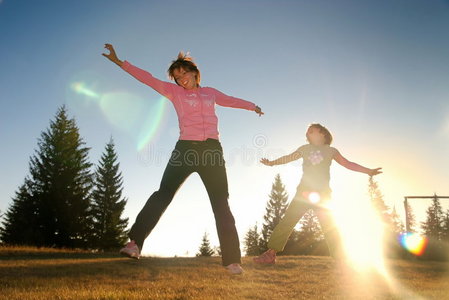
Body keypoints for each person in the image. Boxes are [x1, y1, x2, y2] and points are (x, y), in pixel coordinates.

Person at [102, 44, 263, 275]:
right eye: (177, 78)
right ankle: (134, 243)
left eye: (183, 74)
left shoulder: (211, 93)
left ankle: (232, 261)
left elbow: (231, 100)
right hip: (185, 149)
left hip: (212, 152)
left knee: (221, 203)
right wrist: (120, 62)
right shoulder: (175, 93)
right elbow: (147, 79)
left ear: (194, 73)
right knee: (163, 193)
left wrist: (252, 106)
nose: (181, 80)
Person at [253, 123, 382, 264]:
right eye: (307, 132)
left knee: (329, 226)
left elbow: (348, 163)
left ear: (323, 134)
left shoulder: (331, 151)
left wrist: (368, 171)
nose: (308, 133)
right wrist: (272, 163)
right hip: (303, 193)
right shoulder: (304, 149)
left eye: (311, 130)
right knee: (287, 221)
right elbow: (288, 158)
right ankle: (270, 254)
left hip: (323, 195)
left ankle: (341, 258)